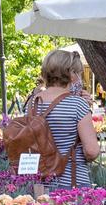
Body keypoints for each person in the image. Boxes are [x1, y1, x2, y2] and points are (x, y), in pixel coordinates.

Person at [32, 50, 100, 190]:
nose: (79, 77)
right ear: (71, 73)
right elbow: (91, 151)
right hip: (71, 183)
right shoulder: (77, 104)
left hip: (37, 184)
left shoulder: (33, 102)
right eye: (78, 73)